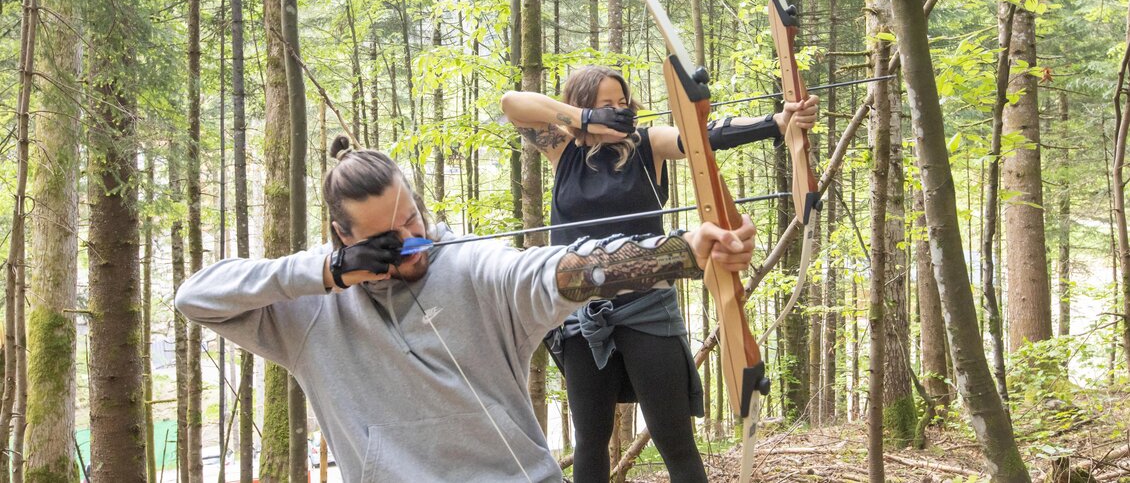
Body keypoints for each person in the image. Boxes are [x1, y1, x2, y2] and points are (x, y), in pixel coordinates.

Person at [175, 136, 756, 483]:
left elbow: (558, 270)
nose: (411, 240)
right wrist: (327, 273)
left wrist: (680, 253)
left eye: (412, 219)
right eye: (387, 239)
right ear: (342, 237)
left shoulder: (472, 267)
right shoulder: (307, 312)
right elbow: (194, 298)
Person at [500, 66, 818, 482]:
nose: (618, 111)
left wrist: (776, 122)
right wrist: (583, 122)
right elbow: (512, 104)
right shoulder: (562, 148)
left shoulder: (648, 143)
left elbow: (703, 137)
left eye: (621, 103)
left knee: (676, 442)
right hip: (581, 315)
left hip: (646, 307)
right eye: (604, 105)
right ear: (582, 109)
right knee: (589, 442)